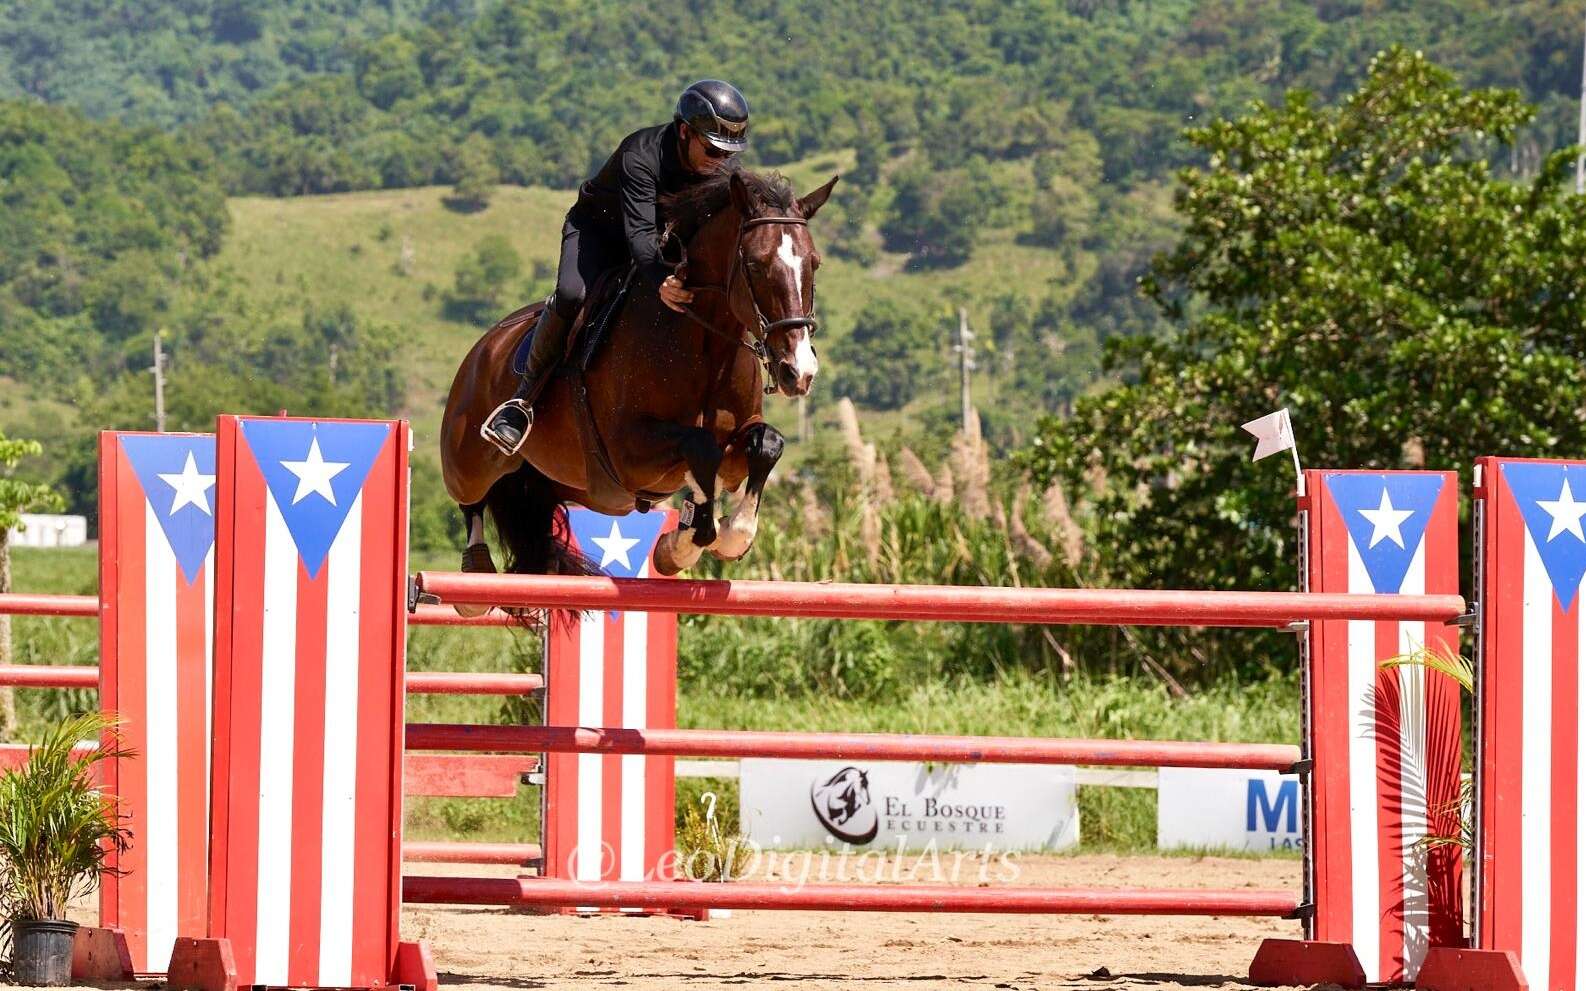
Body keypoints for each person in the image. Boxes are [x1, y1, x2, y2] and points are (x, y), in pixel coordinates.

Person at [481, 79, 749, 456]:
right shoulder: (639, 155)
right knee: (573, 295)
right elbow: (639, 237)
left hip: (661, 242)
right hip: (599, 234)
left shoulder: (716, 165)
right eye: (712, 150)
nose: (720, 162)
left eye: (728, 153)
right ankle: (522, 403)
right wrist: (661, 281)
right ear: (685, 131)